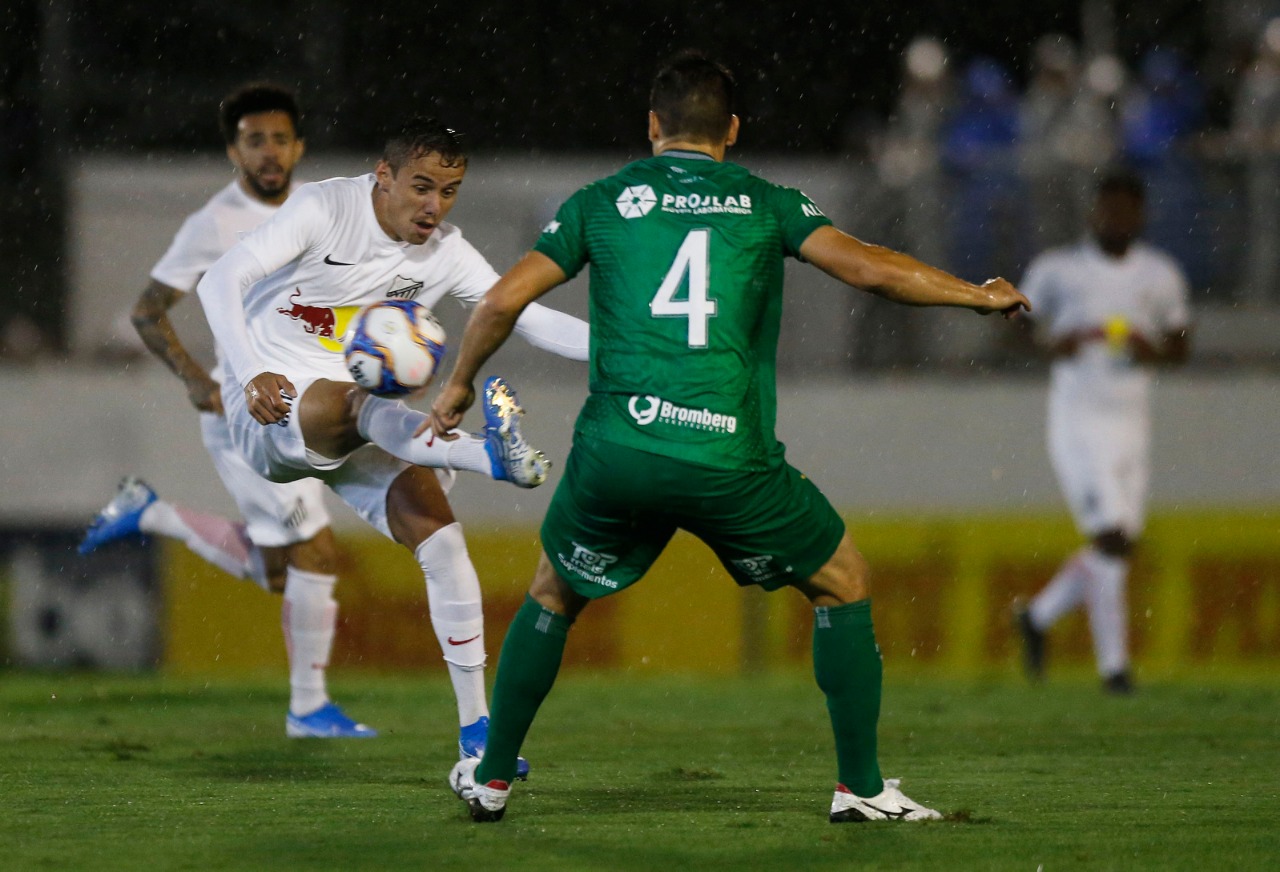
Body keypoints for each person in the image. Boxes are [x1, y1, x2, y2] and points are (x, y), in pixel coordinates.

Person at [430, 51, 1029, 824]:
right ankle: (862, 788)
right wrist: (975, 297)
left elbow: (502, 299)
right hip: (725, 457)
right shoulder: (767, 203)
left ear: (652, 125)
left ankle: (493, 776)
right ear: (733, 131)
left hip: (620, 452)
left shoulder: (603, 201)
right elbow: (873, 270)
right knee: (841, 578)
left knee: (553, 590)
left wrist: (456, 384)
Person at [192, 113, 589, 767]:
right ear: (384, 176)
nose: (435, 206)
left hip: (368, 417)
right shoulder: (324, 208)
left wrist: (630, 352)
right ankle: (484, 453)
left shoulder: (448, 253)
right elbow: (219, 280)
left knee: (442, 538)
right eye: (422, 187)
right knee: (360, 400)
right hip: (267, 404)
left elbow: (524, 314)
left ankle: (477, 730)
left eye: (449, 191)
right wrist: (248, 366)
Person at [79, 82, 377, 738]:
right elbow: (146, 310)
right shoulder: (213, 224)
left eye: (278, 139)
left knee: (281, 570)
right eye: (253, 141)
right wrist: (193, 377)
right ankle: (308, 709)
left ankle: (151, 510)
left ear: (298, 145)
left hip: (300, 409)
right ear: (232, 151)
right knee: (317, 555)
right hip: (250, 419)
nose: (267, 153)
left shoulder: (319, 208)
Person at [1015, 169, 1192, 695]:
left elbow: (1181, 346)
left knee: (1120, 545)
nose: (1117, 219)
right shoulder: (1058, 270)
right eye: (1108, 208)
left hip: (1132, 422)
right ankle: (1114, 671)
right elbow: (1012, 326)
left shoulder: (1160, 274)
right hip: (1078, 421)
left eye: (1127, 210)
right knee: (1111, 540)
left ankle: (1037, 617)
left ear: (1140, 216)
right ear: (1093, 212)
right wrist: (1051, 344)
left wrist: (1154, 350)